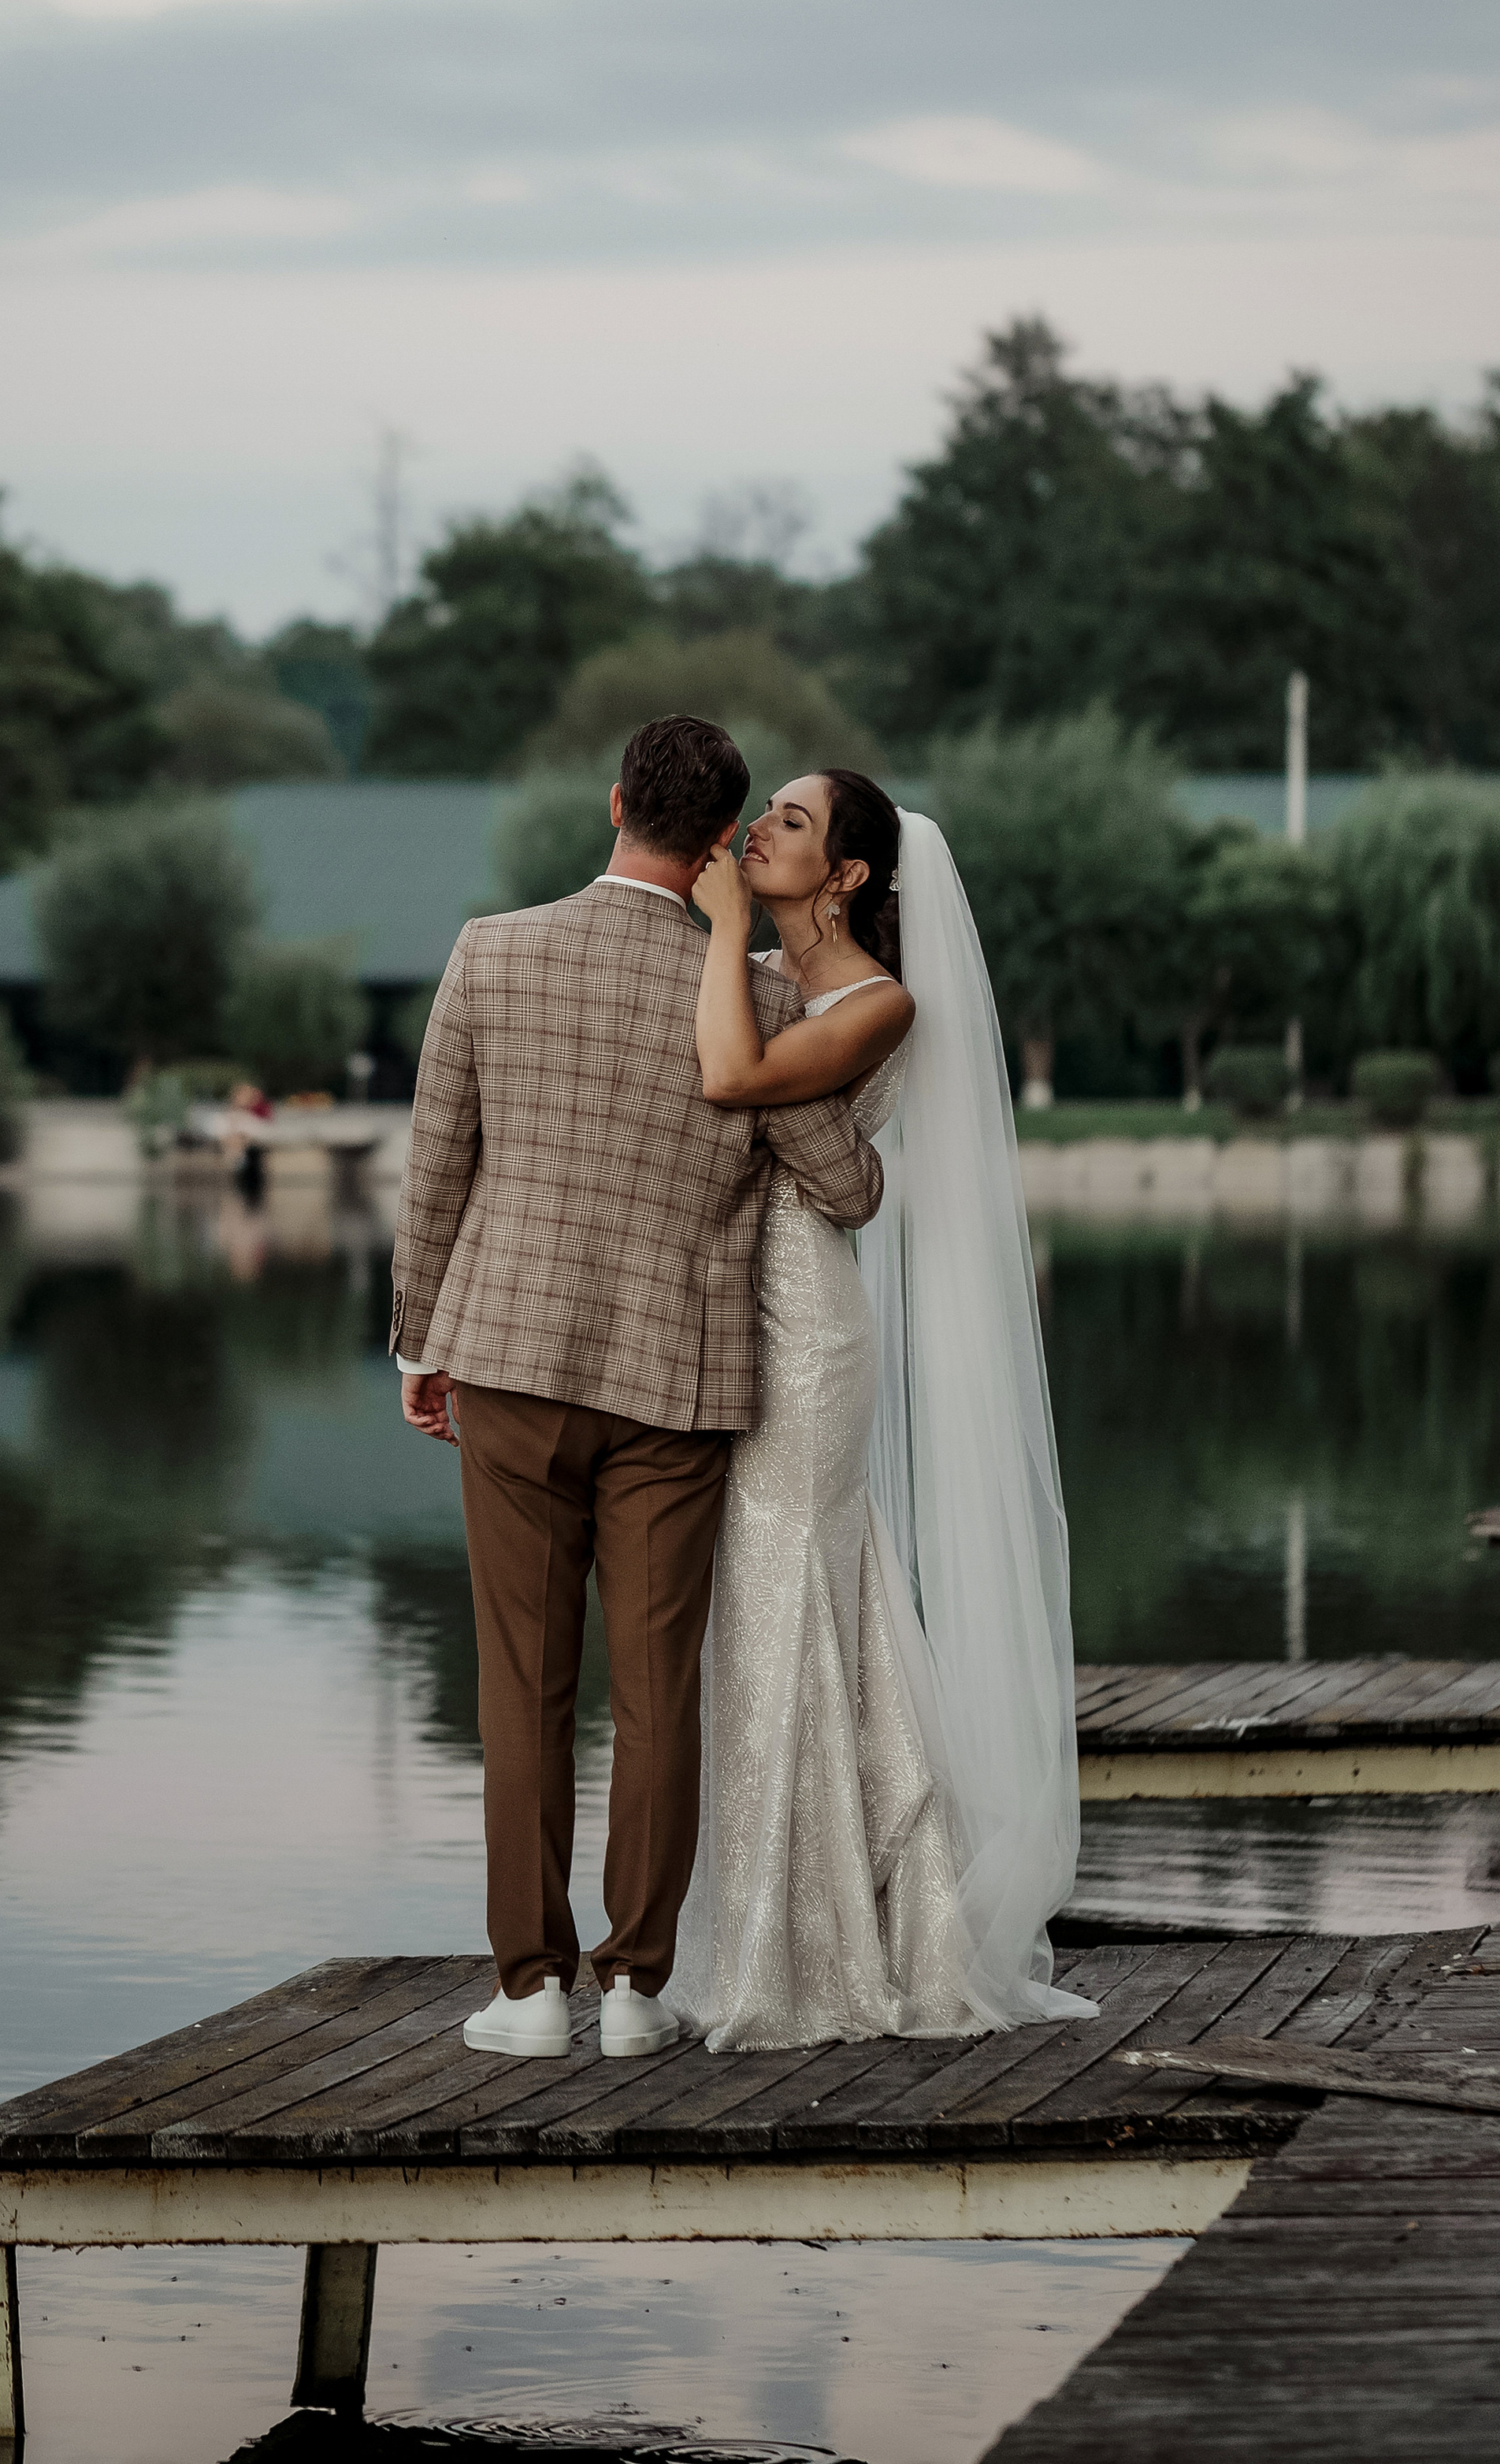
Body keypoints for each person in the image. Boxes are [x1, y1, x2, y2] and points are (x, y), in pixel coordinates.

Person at [392, 718, 884, 2064]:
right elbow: (849, 1189)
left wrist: (417, 1344)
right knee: (659, 1689)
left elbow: (437, 1168)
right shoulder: (766, 999)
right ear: (724, 839)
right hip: (679, 1378)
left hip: (508, 1358)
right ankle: (631, 1993)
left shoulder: (492, 951)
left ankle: (528, 1990)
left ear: (615, 804)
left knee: (523, 1685)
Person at [670, 770, 1093, 2047]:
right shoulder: (780, 970)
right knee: (776, 1615)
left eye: (790, 823)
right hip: (734, 1309)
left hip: (808, 1329)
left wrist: (717, 931)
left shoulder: (878, 1000)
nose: (758, 832)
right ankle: (814, 1919)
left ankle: (807, 1955)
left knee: (783, 1604)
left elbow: (734, 1079)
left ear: (849, 874)